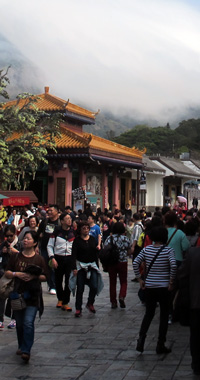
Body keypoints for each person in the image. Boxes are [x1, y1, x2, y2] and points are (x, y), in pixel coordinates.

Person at [5, 230, 47, 362]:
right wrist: (16, 274)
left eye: (28, 239)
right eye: (24, 239)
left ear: (34, 243)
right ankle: (21, 344)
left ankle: (26, 350)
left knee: (28, 322)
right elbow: (7, 272)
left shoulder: (39, 259)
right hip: (17, 294)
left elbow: (45, 276)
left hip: (33, 295)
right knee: (20, 324)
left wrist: (33, 276)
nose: (25, 241)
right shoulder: (16, 257)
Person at [133, 226, 177, 354]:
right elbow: (173, 265)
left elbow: (136, 262)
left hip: (150, 286)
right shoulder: (168, 250)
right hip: (163, 287)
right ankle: (160, 344)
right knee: (163, 315)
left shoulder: (147, 250)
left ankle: (141, 340)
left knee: (149, 314)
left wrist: (140, 279)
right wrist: (171, 281)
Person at [71, 221, 103, 317]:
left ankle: (90, 302)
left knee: (94, 286)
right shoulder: (77, 241)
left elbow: (95, 254)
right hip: (80, 266)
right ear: (80, 230)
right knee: (80, 288)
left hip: (92, 265)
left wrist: (97, 266)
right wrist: (74, 268)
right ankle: (78, 308)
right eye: (84, 228)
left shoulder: (92, 239)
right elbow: (73, 255)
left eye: (87, 228)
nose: (86, 230)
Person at [178, 246, 200, 375]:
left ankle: (197, 364)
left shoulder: (192, 253)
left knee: (196, 335)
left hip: (196, 302)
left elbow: (182, 274)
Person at [47, 212, 75, 311]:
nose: (69, 220)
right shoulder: (56, 232)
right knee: (58, 280)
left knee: (69, 281)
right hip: (58, 258)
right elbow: (50, 246)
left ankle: (65, 302)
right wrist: (52, 258)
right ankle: (60, 298)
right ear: (62, 221)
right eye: (67, 218)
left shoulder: (73, 232)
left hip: (69, 259)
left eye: (70, 218)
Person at [104, 222, 131, 309]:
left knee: (112, 282)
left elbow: (105, 249)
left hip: (112, 262)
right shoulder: (126, 239)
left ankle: (113, 302)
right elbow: (129, 251)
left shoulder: (109, 238)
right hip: (123, 262)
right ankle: (122, 295)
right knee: (123, 281)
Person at [0, 225, 20, 330]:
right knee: (2, 296)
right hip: (4, 274)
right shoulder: (3, 245)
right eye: (6, 236)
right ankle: (0, 319)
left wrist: (14, 252)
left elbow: (24, 256)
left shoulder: (19, 244)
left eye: (11, 236)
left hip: (15, 274)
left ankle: (14, 319)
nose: (8, 238)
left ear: (14, 234)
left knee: (14, 297)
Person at [38, 204, 61, 294]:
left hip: (57, 249)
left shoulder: (60, 223)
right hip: (44, 248)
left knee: (55, 267)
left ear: (57, 211)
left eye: (51, 210)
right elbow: (38, 234)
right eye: (48, 211)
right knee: (47, 267)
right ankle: (52, 285)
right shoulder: (45, 222)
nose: (49, 212)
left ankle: (54, 284)